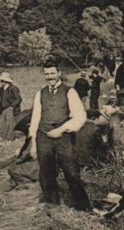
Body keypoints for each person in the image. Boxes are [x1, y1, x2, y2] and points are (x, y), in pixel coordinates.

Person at [27, 59, 91, 211]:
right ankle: (52, 206)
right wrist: (33, 144)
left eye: (52, 73)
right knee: (46, 173)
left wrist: (62, 129)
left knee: (72, 173)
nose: (49, 77)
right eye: (47, 74)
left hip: (63, 137)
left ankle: (83, 208)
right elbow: (35, 119)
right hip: (44, 136)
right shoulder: (40, 94)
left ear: (59, 73)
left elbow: (80, 117)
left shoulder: (70, 92)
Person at [0, 72, 22, 141]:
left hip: (10, 109)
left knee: (10, 125)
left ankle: (10, 140)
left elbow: (19, 99)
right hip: (2, 109)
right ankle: (5, 139)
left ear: (6, 81)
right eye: (1, 80)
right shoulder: (2, 88)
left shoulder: (14, 88)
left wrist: (12, 107)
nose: (1, 81)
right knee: (3, 124)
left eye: (2, 80)